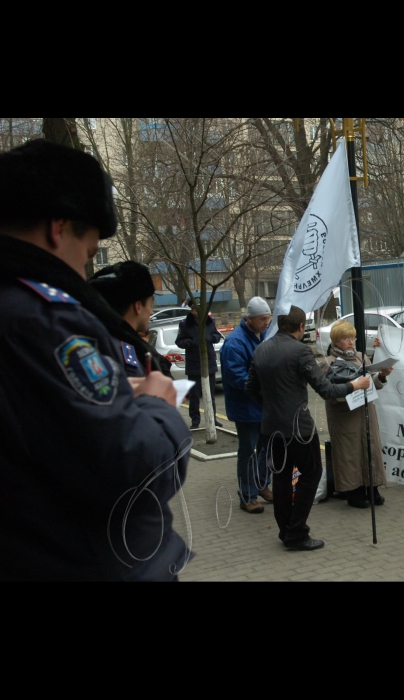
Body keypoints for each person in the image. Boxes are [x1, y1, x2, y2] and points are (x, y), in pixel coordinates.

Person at [0, 140, 191, 581]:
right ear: (57, 228)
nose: (85, 274)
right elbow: (135, 468)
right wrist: (157, 405)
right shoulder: (44, 320)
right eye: (87, 254)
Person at [246, 306, 371, 551]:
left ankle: (286, 530)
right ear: (302, 327)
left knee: (281, 477)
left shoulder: (261, 350)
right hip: (299, 429)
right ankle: (297, 531)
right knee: (311, 473)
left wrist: (271, 406)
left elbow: (250, 388)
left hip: (271, 428)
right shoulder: (301, 351)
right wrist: (355, 385)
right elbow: (325, 389)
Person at [322, 321, 394, 509]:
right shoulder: (327, 362)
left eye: (353, 338)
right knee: (349, 454)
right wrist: (353, 387)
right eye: (346, 339)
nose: (351, 342)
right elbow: (329, 392)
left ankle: (373, 487)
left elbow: (374, 382)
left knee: (370, 450)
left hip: (366, 412)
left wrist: (383, 375)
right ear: (336, 341)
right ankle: (353, 491)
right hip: (345, 416)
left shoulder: (362, 358)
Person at [220, 297, 273, 514]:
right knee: (248, 452)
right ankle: (247, 495)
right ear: (250, 319)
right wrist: (264, 390)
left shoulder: (258, 338)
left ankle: (261, 485)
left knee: (266, 448)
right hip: (246, 407)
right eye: (262, 319)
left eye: (268, 319)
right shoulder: (235, 343)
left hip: (261, 405)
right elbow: (238, 377)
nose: (266, 323)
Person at [89, 260, 159, 378]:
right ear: (138, 307)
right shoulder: (125, 354)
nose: (151, 312)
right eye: (150, 305)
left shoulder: (100, 340)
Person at [176, 301, 224, 429]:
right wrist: (191, 342)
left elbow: (217, 336)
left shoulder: (209, 322)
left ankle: (213, 418)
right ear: (192, 311)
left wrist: (210, 338)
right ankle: (195, 421)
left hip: (209, 361)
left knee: (211, 393)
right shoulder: (185, 324)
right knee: (195, 395)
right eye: (195, 310)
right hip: (194, 363)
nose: (197, 312)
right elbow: (179, 341)